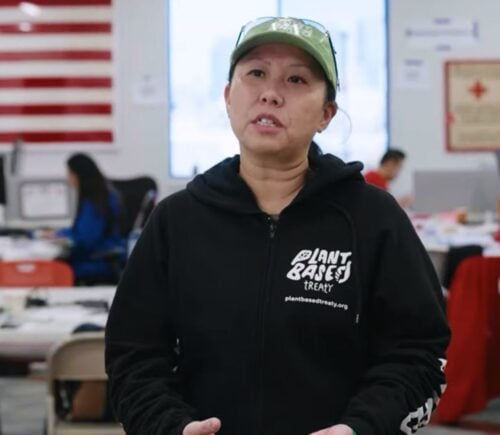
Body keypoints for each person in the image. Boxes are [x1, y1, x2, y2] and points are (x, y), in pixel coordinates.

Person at [105, 17, 449, 435]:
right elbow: (133, 357)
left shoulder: (374, 219)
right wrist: (169, 427)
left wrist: (361, 428)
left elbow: (418, 355)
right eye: (255, 74)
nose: (270, 93)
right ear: (229, 97)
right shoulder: (176, 221)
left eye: (297, 79)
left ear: (326, 113)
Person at [50, 153, 125, 283]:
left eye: (70, 174)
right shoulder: (99, 197)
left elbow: (85, 239)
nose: (69, 179)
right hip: (95, 259)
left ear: (80, 175)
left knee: (52, 268)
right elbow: (81, 231)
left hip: (94, 264)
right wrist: (58, 233)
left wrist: (59, 237)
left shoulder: (96, 203)